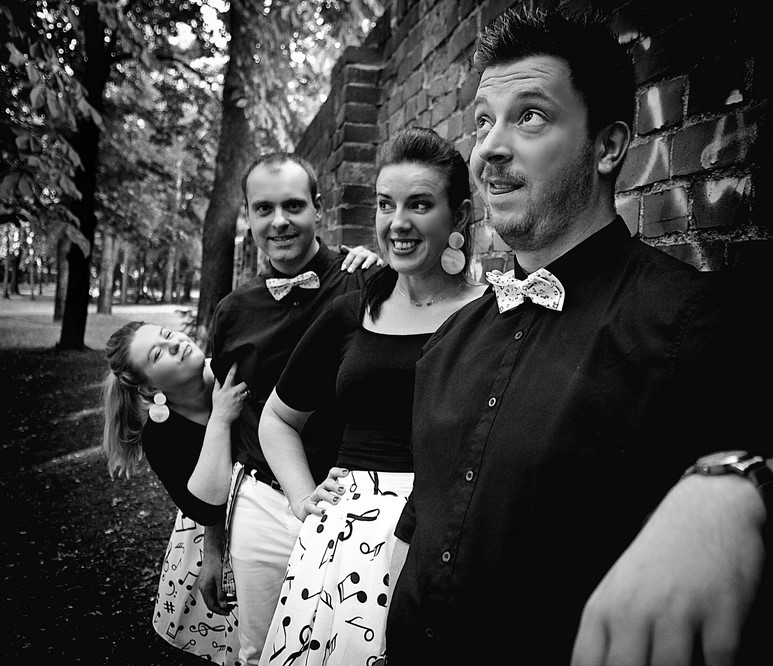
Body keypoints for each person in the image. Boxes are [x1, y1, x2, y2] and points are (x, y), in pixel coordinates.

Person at [383, 6, 773, 666]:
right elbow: (420, 526)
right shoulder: (448, 343)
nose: (489, 149)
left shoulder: (699, 321)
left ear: (609, 147)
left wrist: (735, 493)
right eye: (482, 121)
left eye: (529, 116)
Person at [255, 127, 487, 666]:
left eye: (419, 204)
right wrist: (303, 498)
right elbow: (277, 419)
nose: (397, 223)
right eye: (386, 205)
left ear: (459, 216)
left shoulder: (493, 314)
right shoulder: (352, 311)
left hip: (446, 534)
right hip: (342, 541)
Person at [204, 152, 383, 666]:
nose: (279, 221)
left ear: (318, 208)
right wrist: (212, 544)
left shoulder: (365, 281)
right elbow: (221, 426)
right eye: (264, 209)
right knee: (258, 651)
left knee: (347, 651)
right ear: (248, 217)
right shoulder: (233, 312)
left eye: (293, 205)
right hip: (259, 504)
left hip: (350, 502)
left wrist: (384, 265)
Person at [102, 321, 248, 664]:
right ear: (150, 386)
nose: (176, 344)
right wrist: (220, 419)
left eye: (168, 334)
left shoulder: (234, 370)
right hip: (213, 529)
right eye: (158, 354)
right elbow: (205, 507)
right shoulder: (163, 436)